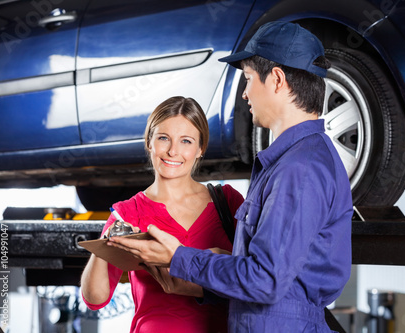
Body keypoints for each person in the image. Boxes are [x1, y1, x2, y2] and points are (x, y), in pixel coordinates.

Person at [108, 21, 353, 332]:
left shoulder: (299, 169)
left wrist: (179, 257)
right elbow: (276, 274)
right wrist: (210, 273)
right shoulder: (294, 161)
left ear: (276, 79)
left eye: (249, 79)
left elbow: (265, 280)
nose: (246, 94)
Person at [80, 96, 244, 333]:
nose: (173, 151)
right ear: (149, 142)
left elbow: (255, 275)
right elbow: (95, 299)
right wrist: (108, 241)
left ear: (200, 149)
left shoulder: (227, 202)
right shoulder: (128, 213)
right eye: (163, 138)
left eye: (186, 141)